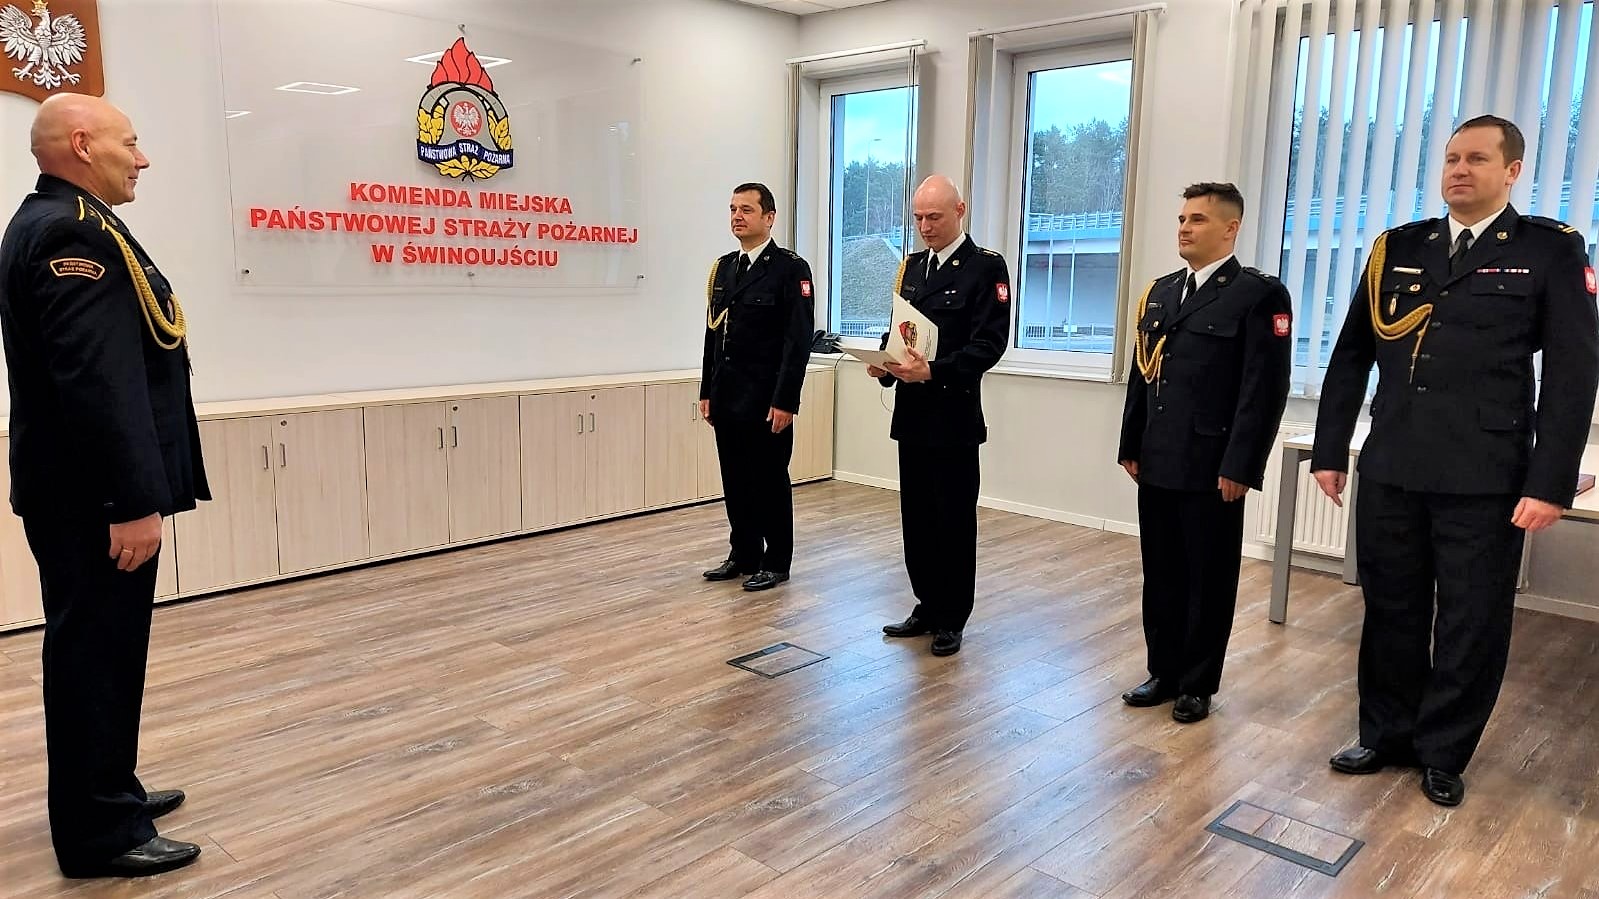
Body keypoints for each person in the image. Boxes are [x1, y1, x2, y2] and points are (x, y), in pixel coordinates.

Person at [1312, 114, 1599, 806]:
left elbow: (1572, 370)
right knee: (1391, 608)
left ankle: (1443, 750)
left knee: (1471, 619)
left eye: (1476, 158)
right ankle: (1385, 734)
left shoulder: (1549, 249)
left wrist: (1550, 481)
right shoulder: (1398, 247)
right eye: (1450, 158)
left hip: (1485, 472)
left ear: (1511, 171)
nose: (1459, 170)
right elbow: (1351, 353)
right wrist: (1329, 448)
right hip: (1393, 462)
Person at [0, 93, 210, 877]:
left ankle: (111, 789)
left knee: (108, 653)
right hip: (92, 499)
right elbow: (97, 381)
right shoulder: (69, 232)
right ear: (83, 145)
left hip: (76, 492)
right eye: (131, 141)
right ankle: (100, 832)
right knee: (95, 655)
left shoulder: (68, 220)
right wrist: (130, 500)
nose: (142, 157)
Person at [1116, 182, 1293, 723]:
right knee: (1161, 572)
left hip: (1213, 466)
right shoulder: (1162, 292)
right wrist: (1131, 442)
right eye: (1182, 219)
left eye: (1197, 219)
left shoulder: (1257, 295)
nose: (1184, 228)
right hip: (1158, 458)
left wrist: (1242, 464)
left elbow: (1264, 390)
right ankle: (1163, 671)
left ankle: (1197, 683)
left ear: (1230, 229)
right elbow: (1143, 374)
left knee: (1208, 578)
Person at [873, 175, 1010, 656]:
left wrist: (933, 370)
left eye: (934, 217)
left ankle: (952, 615)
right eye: (918, 218)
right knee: (917, 520)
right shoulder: (912, 267)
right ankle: (926, 604)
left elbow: (989, 344)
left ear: (960, 210)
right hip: (913, 417)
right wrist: (885, 365)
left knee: (952, 520)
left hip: (953, 417)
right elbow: (901, 331)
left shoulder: (984, 267)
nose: (925, 226)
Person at [699, 182, 814, 591]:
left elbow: (797, 341)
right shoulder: (724, 268)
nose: (737, 217)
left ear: (769, 217)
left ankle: (776, 560)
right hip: (728, 396)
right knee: (735, 480)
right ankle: (743, 553)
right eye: (733, 209)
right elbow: (713, 334)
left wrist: (786, 400)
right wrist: (706, 390)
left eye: (746, 210)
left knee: (769, 481)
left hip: (766, 399)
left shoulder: (789, 269)